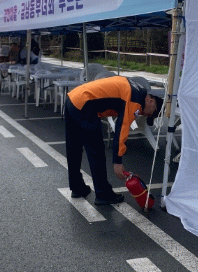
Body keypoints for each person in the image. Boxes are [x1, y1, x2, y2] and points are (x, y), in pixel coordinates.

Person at [64, 75, 163, 205]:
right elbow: (121, 129)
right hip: (85, 105)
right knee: (96, 151)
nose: (146, 115)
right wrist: (117, 161)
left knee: (74, 148)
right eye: (151, 113)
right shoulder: (135, 100)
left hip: (73, 98)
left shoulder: (136, 90)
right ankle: (103, 194)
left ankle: (77, 187)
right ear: (151, 101)